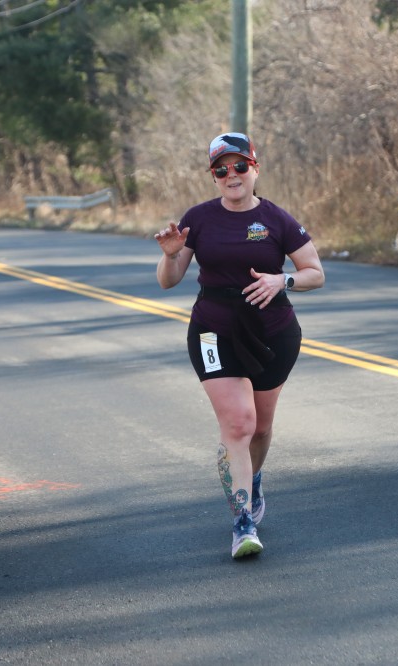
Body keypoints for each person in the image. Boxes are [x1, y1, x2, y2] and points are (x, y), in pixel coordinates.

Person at [155, 132, 325, 559]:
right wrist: (171, 255)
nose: (231, 175)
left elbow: (315, 272)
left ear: (255, 168)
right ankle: (243, 522)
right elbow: (168, 281)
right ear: (213, 177)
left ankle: (252, 477)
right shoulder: (198, 218)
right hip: (213, 331)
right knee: (238, 424)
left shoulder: (276, 219)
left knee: (261, 428)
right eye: (221, 170)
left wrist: (282, 279)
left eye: (239, 166)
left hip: (272, 331)